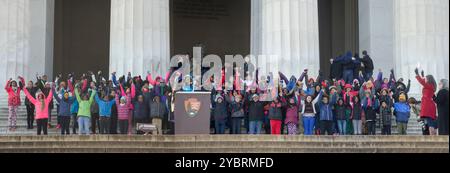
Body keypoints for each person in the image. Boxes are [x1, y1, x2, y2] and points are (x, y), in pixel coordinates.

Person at [415, 68, 437, 135]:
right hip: (429, 104)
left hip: (427, 105)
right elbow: (424, 81)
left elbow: (422, 82)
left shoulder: (429, 85)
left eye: (426, 78)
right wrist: (422, 75)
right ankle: (431, 135)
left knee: (430, 122)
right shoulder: (431, 86)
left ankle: (432, 137)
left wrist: (417, 74)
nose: (425, 79)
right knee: (429, 121)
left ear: (429, 79)